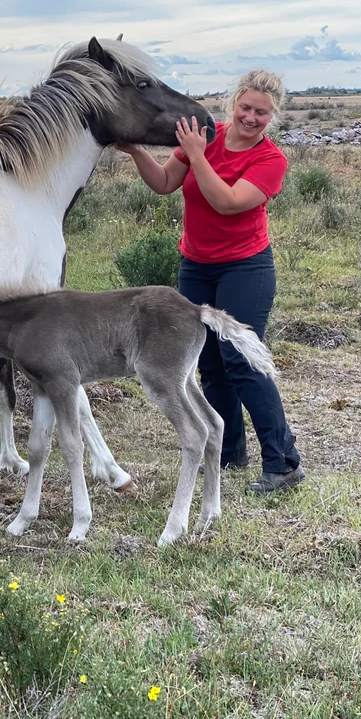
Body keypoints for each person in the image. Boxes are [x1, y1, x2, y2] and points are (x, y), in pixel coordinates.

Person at [115, 69, 304, 494]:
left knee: (242, 359)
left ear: (272, 117)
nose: (251, 118)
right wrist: (135, 151)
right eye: (245, 107)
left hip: (246, 267)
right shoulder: (208, 136)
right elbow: (164, 183)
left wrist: (197, 156)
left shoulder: (270, 160)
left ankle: (284, 463)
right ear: (233, 103)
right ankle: (228, 451)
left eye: (261, 112)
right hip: (196, 264)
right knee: (209, 362)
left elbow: (228, 202)